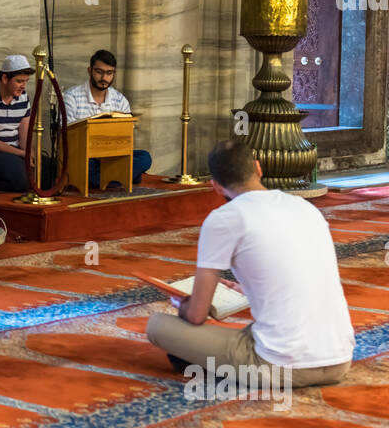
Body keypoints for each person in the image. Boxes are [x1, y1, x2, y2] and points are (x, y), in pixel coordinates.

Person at [145, 139, 354, 387]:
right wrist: (245, 291)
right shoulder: (305, 207)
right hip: (340, 360)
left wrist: (184, 305)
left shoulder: (225, 218)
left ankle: (214, 366)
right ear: (258, 168)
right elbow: (300, 275)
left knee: (158, 327)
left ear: (216, 186)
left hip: (280, 365)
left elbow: (196, 316)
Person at [61, 49, 152, 188]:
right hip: (84, 156)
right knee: (85, 168)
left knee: (145, 158)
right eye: (99, 72)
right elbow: (66, 133)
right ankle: (121, 176)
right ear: (89, 70)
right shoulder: (71, 97)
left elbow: (127, 134)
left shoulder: (120, 100)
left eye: (109, 73)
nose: (104, 78)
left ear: (114, 74)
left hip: (112, 156)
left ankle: (108, 177)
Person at [0, 54, 55, 192]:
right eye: (19, 81)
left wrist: (30, 154)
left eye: (26, 81)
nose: (23, 86)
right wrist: (21, 154)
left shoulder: (22, 97)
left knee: (49, 168)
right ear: (4, 78)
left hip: (14, 152)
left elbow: (24, 135)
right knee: (20, 175)